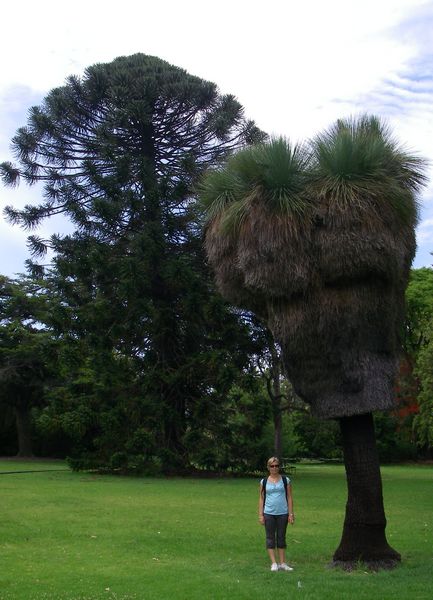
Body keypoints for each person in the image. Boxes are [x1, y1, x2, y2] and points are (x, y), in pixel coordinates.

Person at [258, 457, 295, 571]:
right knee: (270, 538)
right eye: (272, 466)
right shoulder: (263, 482)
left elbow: (289, 497)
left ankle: (282, 563)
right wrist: (260, 515)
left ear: (279, 467)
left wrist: (291, 514)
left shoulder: (285, 480)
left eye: (277, 466)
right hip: (268, 513)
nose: (274, 468)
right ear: (268, 467)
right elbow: (261, 498)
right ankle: (274, 563)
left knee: (281, 537)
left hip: (283, 513)